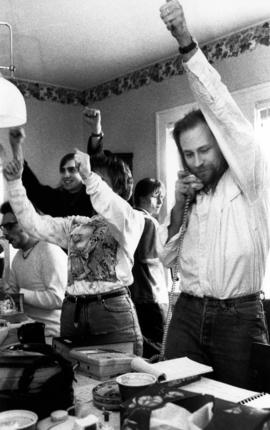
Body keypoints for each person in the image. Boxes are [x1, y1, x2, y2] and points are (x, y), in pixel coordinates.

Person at [158, 0, 270, 389]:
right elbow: (167, 257)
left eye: (204, 151)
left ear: (221, 146)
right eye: (188, 154)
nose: (197, 161)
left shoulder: (249, 175)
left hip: (237, 319)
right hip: (187, 312)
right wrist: (178, 202)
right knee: (173, 400)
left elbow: (220, 106)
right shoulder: (193, 191)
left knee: (242, 412)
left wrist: (187, 43)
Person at [3, 144, 144, 355]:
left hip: (111, 312)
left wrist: (88, 174)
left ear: (117, 187)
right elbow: (33, 225)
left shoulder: (132, 220)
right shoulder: (75, 224)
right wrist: (14, 183)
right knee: (73, 379)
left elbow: (113, 208)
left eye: (98, 180)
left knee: (120, 377)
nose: (89, 184)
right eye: (89, 179)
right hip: (72, 313)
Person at [9, 108, 104, 217]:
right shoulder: (56, 199)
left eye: (72, 170)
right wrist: (16, 146)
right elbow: (32, 187)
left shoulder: (92, 196)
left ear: (83, 173)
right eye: (62, 170)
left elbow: (96, 163)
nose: (66, 175)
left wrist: (96, 129)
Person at [0, 201, 67, 339]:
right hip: (28, 332)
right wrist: (5, 295)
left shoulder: (49, 250)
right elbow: (13, 301)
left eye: (10, 226)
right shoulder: (18, 258)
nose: (5, 233)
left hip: (52, 336)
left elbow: (59, 299)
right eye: (3, 227)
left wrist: (20, 294)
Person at [130, 178, 169, 358]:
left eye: (162, 197)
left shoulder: (130, 217)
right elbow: (148, 257)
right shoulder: (148, 221)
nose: (160, 202)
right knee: (159, 349)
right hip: (151, 294)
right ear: (140, 197)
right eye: (156, 196)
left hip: (135, 294)